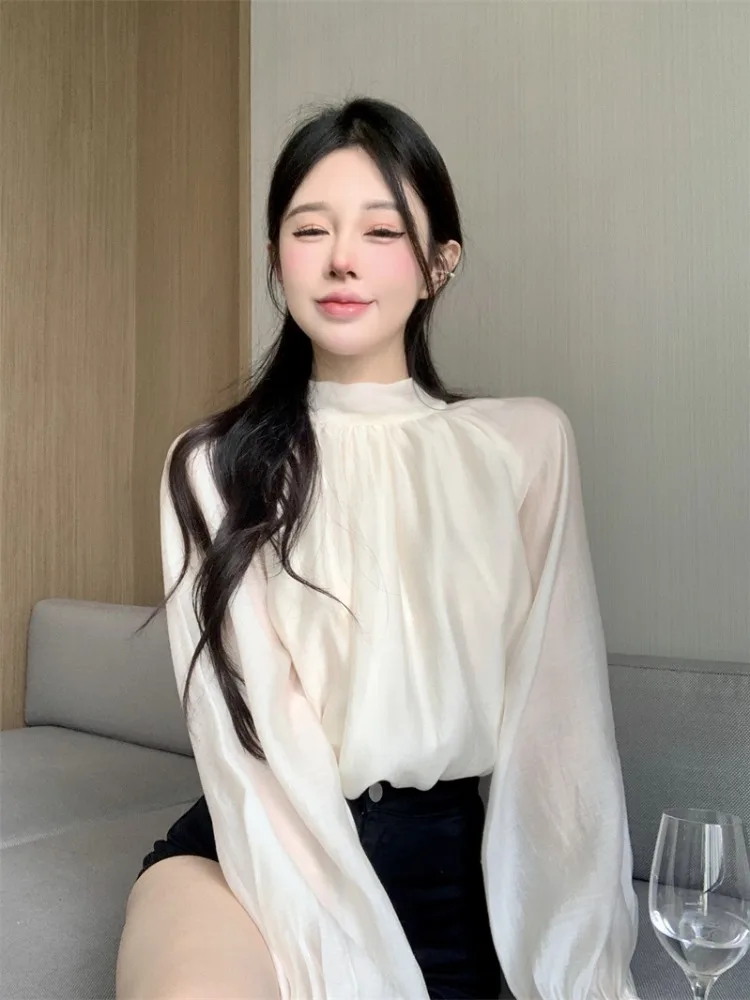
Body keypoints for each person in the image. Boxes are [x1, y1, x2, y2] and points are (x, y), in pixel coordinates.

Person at [116, 96, 639, 1000]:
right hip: (253, 852)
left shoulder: (524, 446)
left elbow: (560, 734)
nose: (342, 259)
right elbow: (254, 746)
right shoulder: (211, 464)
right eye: (309, 229)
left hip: (444, 877)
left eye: (382, 230)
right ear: (277, 260)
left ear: (439, 264)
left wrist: (582, 968)